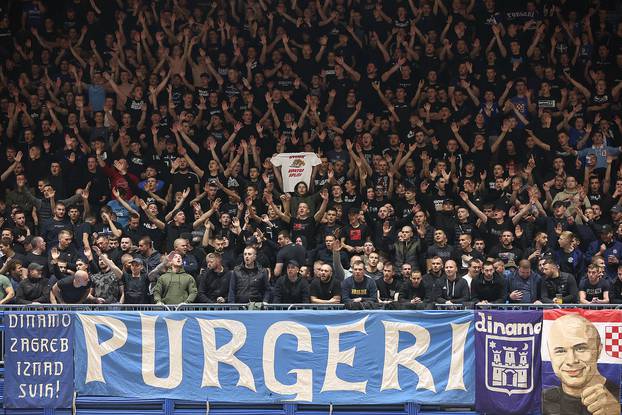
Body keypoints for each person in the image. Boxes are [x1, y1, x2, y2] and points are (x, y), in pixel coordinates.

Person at [543, 314, 621, 415]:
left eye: (580, 348)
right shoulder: (541, 400)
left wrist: (616, 412)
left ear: (598, 350)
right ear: (550, 354)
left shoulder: (618, 393)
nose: (571, 361)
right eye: (560, 351)